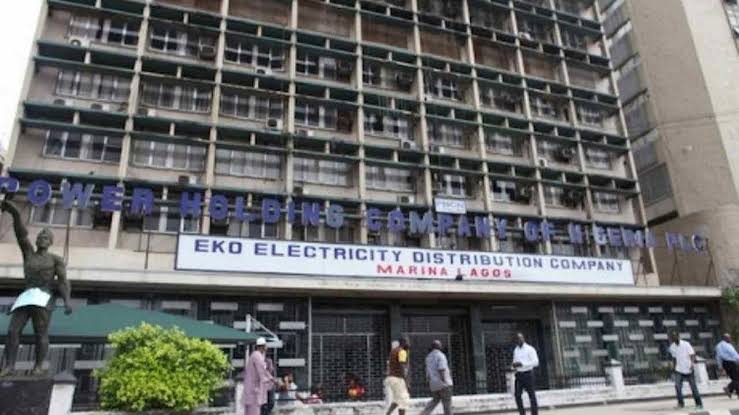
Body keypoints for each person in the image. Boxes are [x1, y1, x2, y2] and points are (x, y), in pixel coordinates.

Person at [0, 200, 73, 377]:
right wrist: (15, 213)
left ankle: (39, 365)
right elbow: (21, 234)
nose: (42, 239)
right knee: (13, 331)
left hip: (44, 296)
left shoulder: (55, 259)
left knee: (40, 333)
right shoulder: (29, 254)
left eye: (46, 237)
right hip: (27, 296)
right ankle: (9, 366)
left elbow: (63, 281)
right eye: (40, 237)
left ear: (50, 242)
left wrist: (67, 300)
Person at [669, 331, 703, 409]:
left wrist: (692, 364)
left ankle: (699, 404)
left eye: (675, 336)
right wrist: (674, 368)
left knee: (693, 387)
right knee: (677, 386)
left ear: (678, 336)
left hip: (688, 368)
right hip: (679, 369)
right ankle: (681, 403)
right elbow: (674, 358)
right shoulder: (672, 347)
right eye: (672, 337)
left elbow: (692, 355)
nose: (674, 338)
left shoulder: (686, 344)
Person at [244, 337, 276, 415]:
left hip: (254, 389)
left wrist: (271, 379)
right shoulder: (257, 356)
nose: (267, 347)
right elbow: (262, 372)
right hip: (254, 390)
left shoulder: (257, 355)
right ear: (262, 346)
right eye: (266, 345)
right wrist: (272, 380)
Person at [420, 340, 453, 415]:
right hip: (443, 383)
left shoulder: (428, 357)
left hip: (434, 384)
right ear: (438, 346)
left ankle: (424, 413)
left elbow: (427, 372)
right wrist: (445, 382)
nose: (441, 346)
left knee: (435, 400)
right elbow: (441, 369)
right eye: (440, 345)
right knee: (447, 404)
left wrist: (429, 382)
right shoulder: (441, 355)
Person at [512, 333, 539, 415]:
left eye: (520, 338)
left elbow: (536, 362)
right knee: (517, 395)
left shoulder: (530, 349)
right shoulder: (516, 350)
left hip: (528, 374)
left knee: (531, 395)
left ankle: (534, 413)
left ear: (523, 338)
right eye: (517, 339)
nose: (519, 340)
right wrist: (513, 366)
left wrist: (523, 364)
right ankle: (522, 413)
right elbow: (515, 361)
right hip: (519, 375)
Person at [385, 338, 411, 415]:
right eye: (408, 342)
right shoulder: (402, 351)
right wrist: (406, 381)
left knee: (397, 399)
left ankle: (387, 413)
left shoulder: (394, 350)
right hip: (397, 378)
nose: (409, 344)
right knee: (404, 399)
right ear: (404, 342)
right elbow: (402, 366)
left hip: (391, 378)